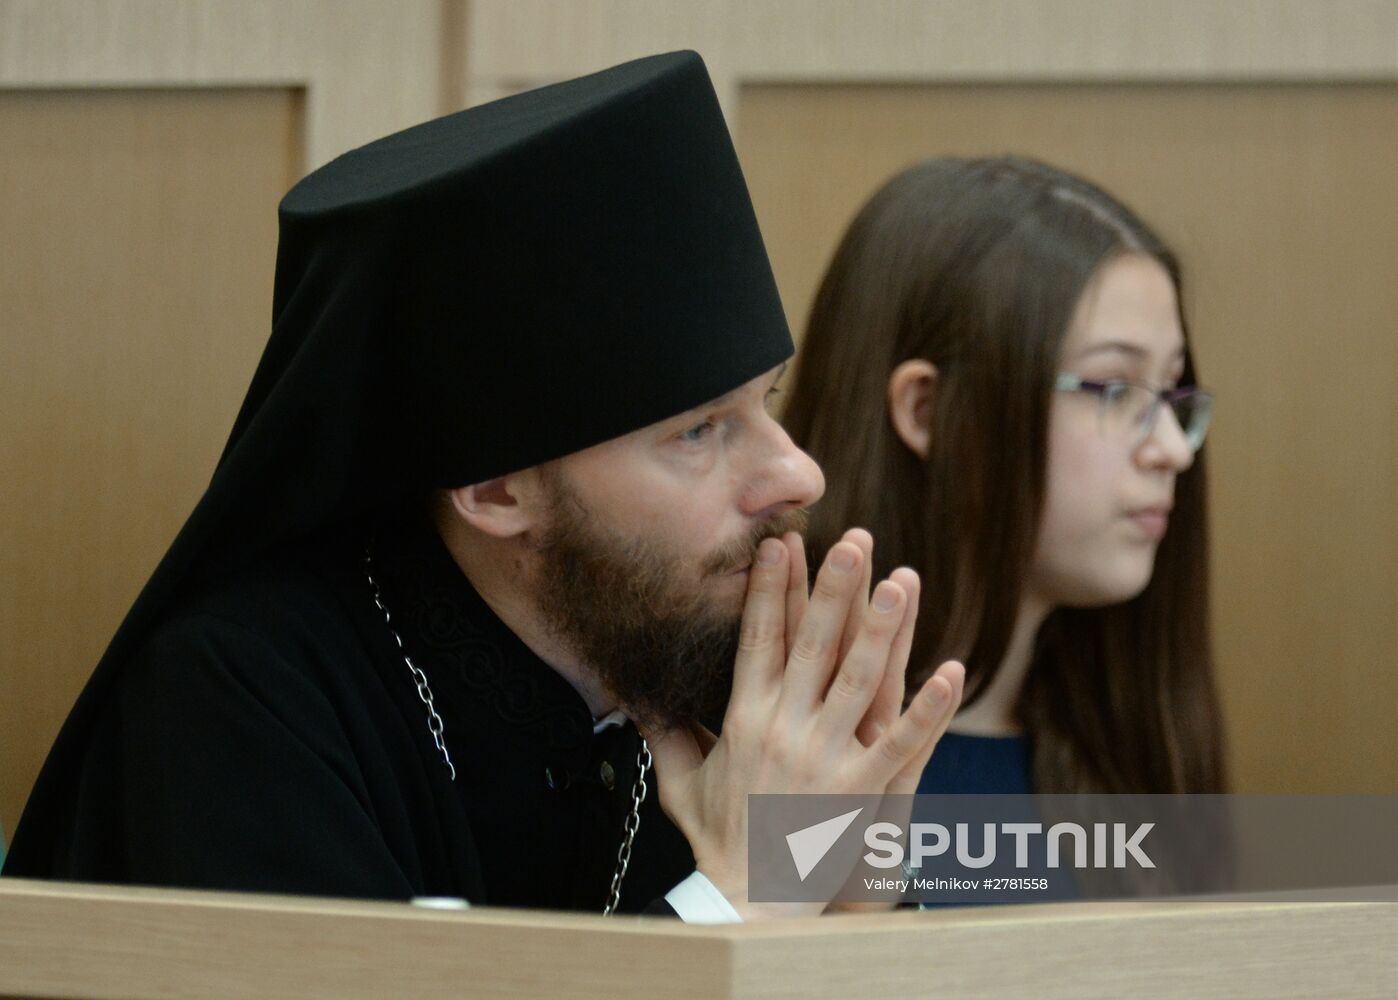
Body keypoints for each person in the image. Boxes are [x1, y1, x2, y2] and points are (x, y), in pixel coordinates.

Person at [3, 52, 964, 920]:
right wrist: (744, 900)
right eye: (700, 430)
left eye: (768, 401)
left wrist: (855, 906)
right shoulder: (240, 707)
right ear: (497, 491)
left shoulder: (688, 658)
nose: (799, 471)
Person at [783, 156, 1225, 797]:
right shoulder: (760, 754)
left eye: (1171, 390)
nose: (1172, 451)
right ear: (927, 410)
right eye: (1113, 388)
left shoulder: (1133, 748)